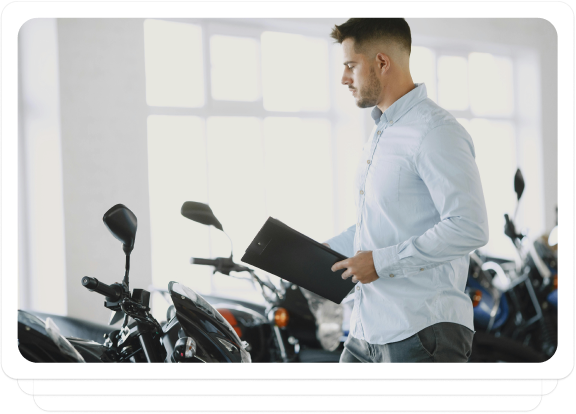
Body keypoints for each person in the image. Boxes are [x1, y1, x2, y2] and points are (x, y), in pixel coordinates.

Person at [323, 18, 489, 363]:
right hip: (367, 329)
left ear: (381, 62)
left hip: (421, 332)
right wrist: (314, 255)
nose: (343, 78)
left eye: (351, 65)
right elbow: (383, 224)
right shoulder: (382, 132)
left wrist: (381, 263)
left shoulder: (436, 131)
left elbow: (468, 225)